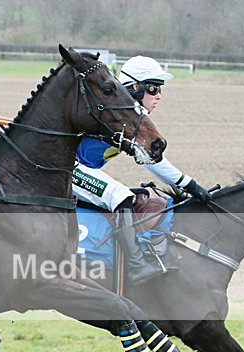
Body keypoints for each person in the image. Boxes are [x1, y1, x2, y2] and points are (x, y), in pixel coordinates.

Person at [73, 55, 211, 285]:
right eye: (153, 88)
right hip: (70, 170)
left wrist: (190, 185)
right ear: (135, 88)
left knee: (139, 196)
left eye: (160, 90)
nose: (158, 96)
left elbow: (151, 158)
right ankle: (136, 265)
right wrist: (189, 184)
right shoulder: (117, 114)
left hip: (84, 172)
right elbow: (153, 160)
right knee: (120, 196)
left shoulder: (131, 117)